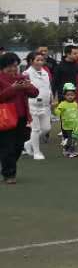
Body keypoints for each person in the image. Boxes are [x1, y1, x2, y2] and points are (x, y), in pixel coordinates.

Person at [0, 51, 39, 183]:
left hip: (21, 116)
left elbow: (35, 93)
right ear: (3, 66)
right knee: (8, 147)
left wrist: (28, 86)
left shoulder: (21, 77)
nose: (13, 69)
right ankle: (9, 174)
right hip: (5, 117)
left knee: (18, 146)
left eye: (15, 65)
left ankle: (6, 167)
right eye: (10, 66)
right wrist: (13, 88)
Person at [23, 51, 53, 160]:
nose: (40, 62)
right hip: (32, 105)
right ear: (31, 61)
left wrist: (51, 97)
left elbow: (48, 87)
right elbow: (24, 90)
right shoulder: (26, 74)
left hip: (45, 105)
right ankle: (37, 152)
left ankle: (29, 143)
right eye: (38, 60)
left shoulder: (45, 72)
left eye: (42, 60)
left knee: (46, 128)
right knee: (35, 129)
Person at [55, 84, 78, 158]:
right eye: (68, 95)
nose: (70, 96)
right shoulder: (63, 104)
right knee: (71, 139)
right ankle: (69, 151)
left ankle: (69, 149)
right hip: (67, 125)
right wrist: (57, 110)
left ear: (75, 95)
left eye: (72, 95)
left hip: (76, 125)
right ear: (64, 96)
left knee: (74, 139)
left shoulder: (76, 104)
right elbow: (57, 111)